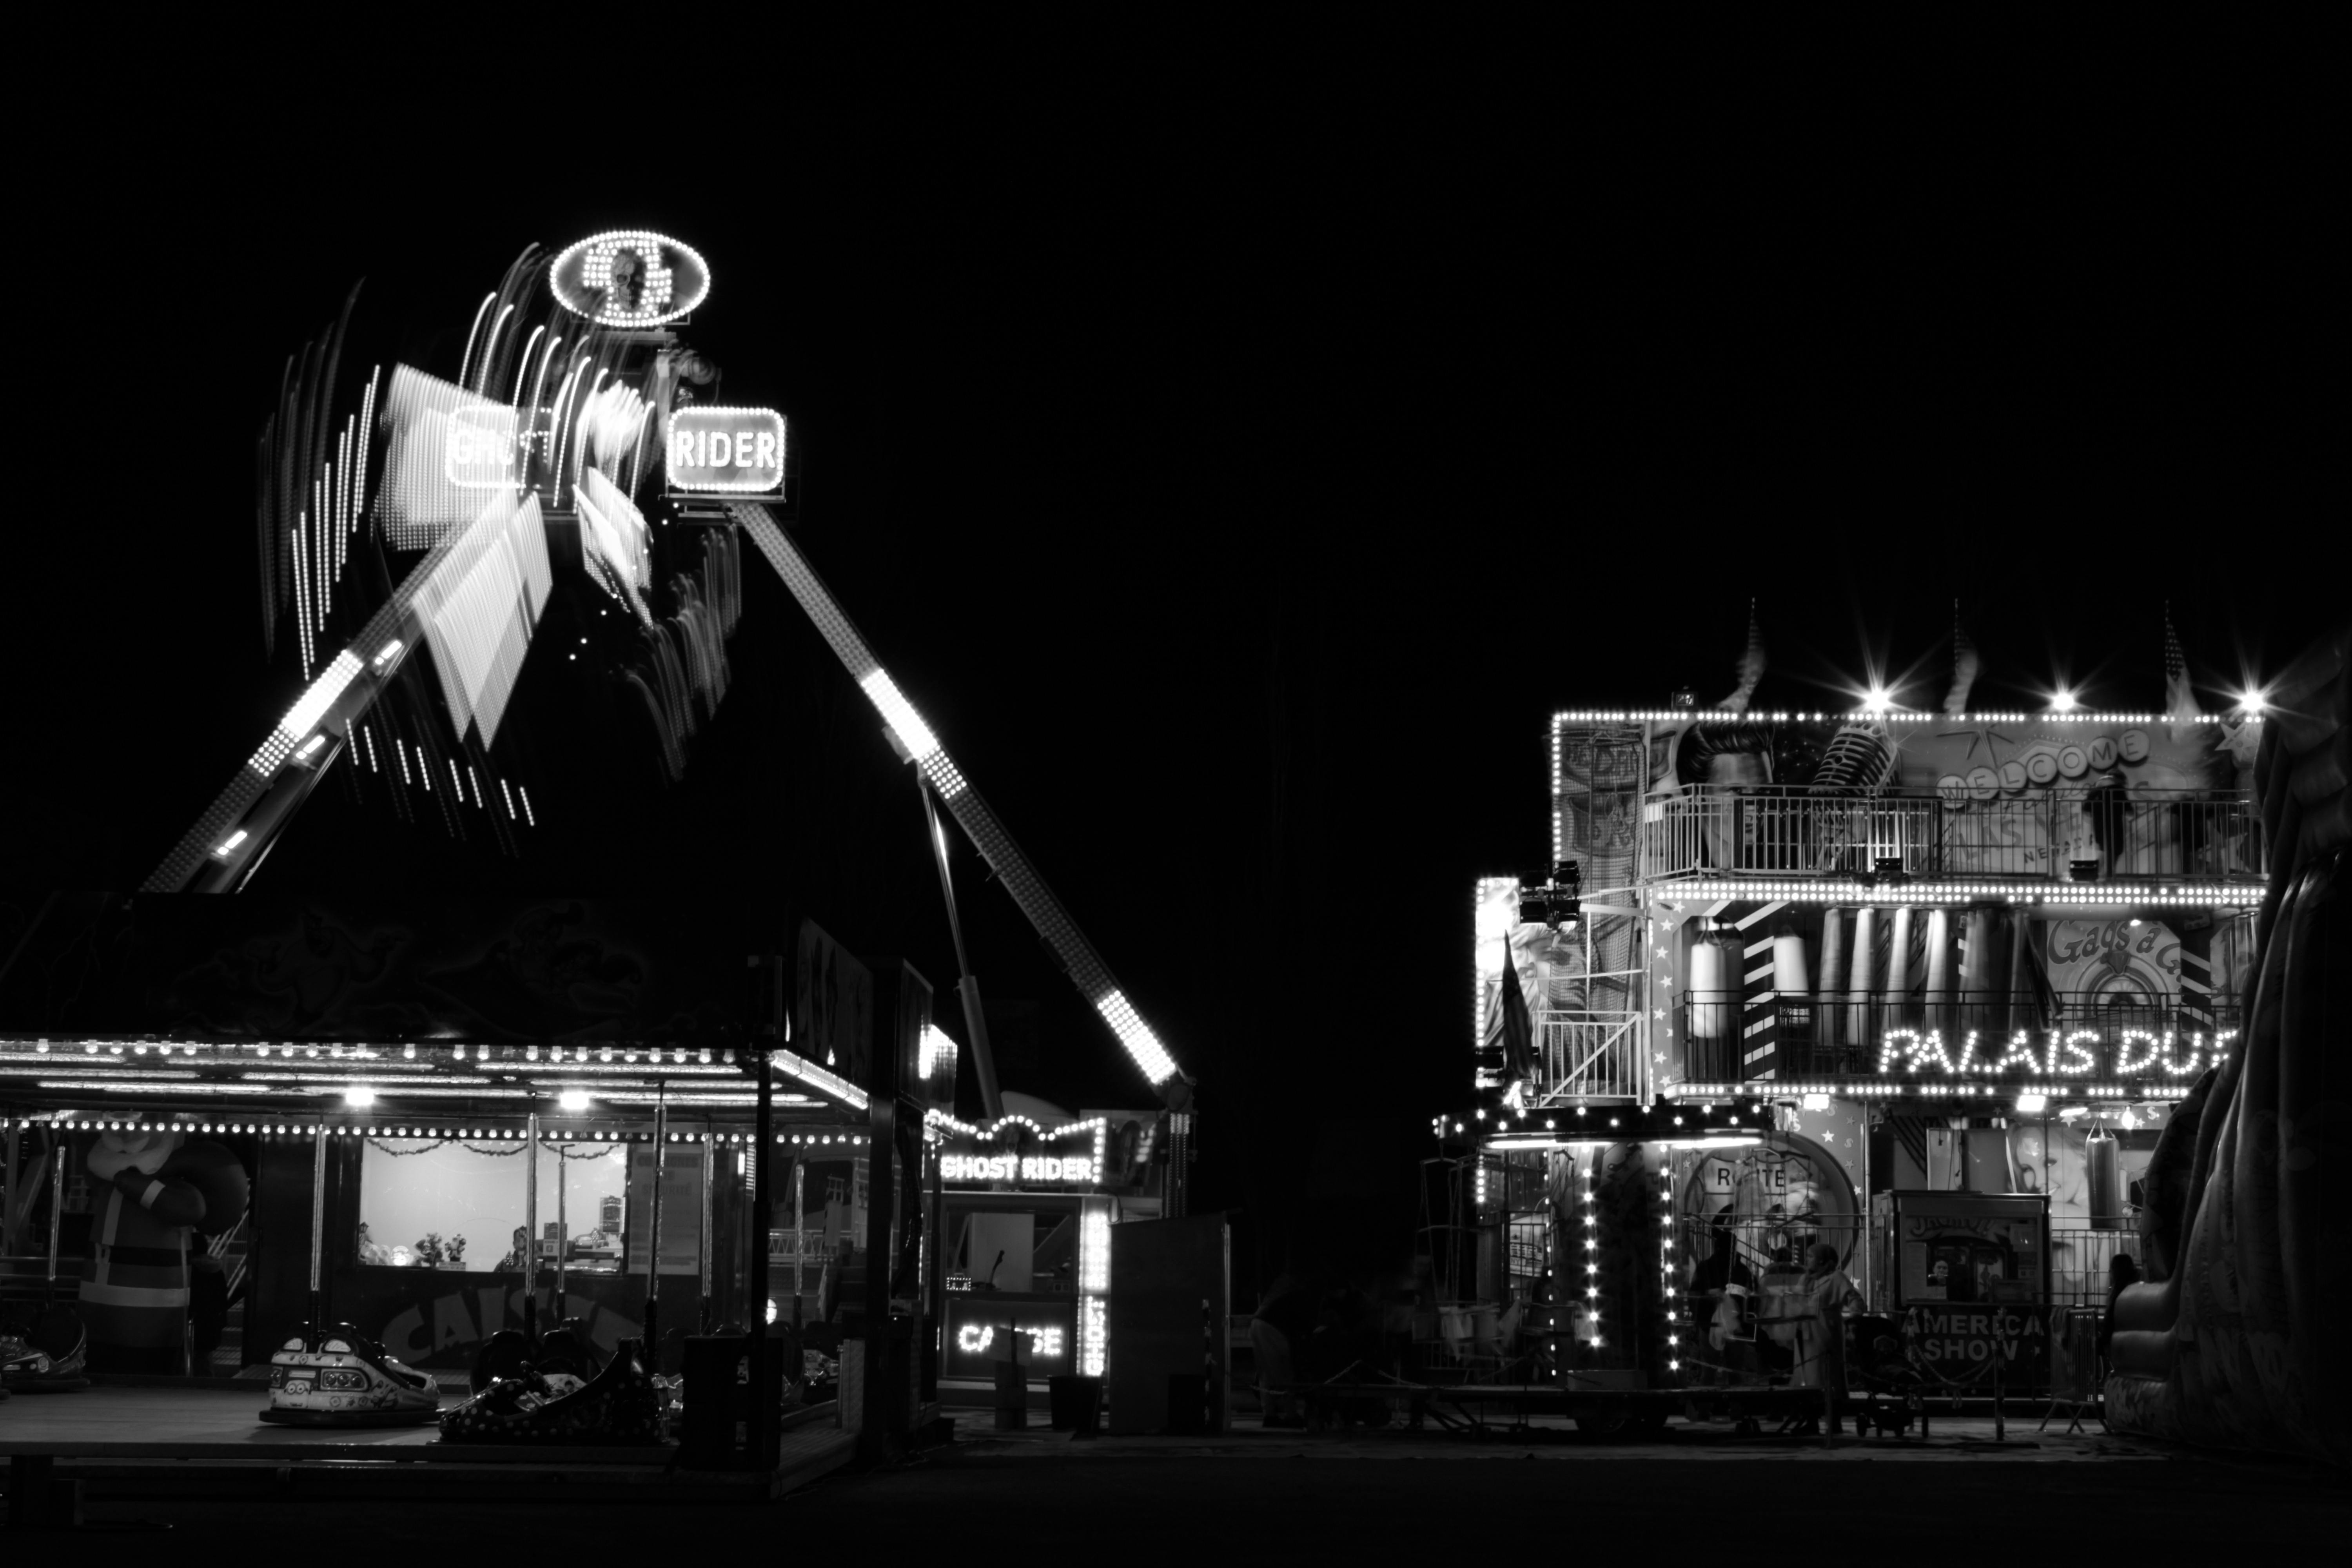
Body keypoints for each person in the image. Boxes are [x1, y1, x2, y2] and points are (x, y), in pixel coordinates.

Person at [1790, 1243, 1859, 1435]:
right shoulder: (1806, 1279)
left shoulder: (1835, 1277)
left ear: (1822, 1259)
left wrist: (1854, 1315)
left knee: (1829, 1377)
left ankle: (1834, 1421)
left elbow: (1854, 1298)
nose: (1808, 1259)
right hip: (1805, 1331)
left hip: (1825, 1331)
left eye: (1811, 1256)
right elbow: (1796, 1299)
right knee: (1807, 1377)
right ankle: (1811, 1421)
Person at [2099, 1253, 2141, 1365]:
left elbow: (2110, 1317)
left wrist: (2103, 1339)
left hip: (2121, 1340)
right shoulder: (2138, 1285)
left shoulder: (2118, 1291)